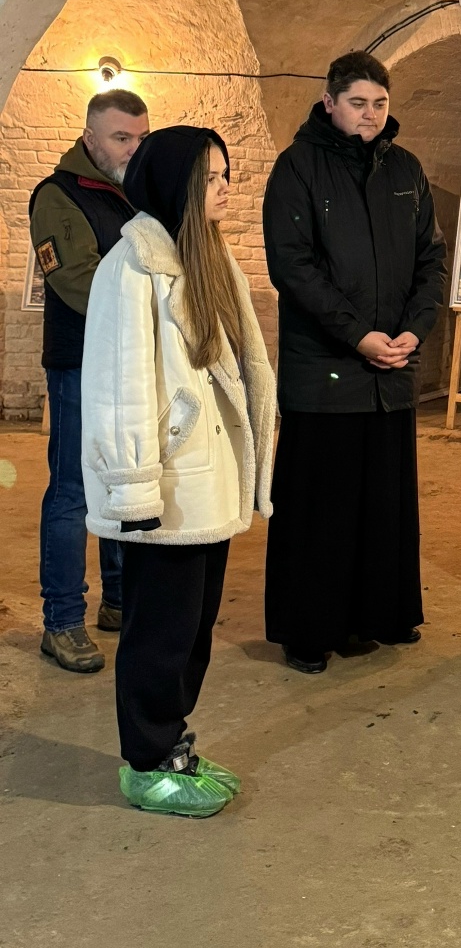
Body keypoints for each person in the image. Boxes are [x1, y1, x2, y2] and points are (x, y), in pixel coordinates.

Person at [81, 127, 275, 817]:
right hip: (163, 487)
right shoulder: (132, 267)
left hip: (205, 481)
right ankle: (145, 760)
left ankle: (172, 745)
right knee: (159, 633)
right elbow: (118, 389)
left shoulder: (208, 256)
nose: (224, 189)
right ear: (176, 185)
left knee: (192, 630)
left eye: (226, 175)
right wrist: (134, 490)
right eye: (211, 177)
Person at [262, 50, 446, 673]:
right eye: (358, 103)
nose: (370, 114)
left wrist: (413, 330)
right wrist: (358, 335)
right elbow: (294, 267)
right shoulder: (297, 167)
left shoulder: (406, 169)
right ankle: (309, 630)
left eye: (380, 103)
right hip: (325, 372)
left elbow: (431, 261)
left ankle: (375, 615)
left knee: (380, 504)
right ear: (330, 103)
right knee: (321, 509)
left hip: (390, 372)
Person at [29, 89, 150, 672]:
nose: (133, 148)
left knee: (124, 481)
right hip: (80, 363)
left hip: (131, 360)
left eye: (141, 138)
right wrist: (155, 301)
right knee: (73, 491)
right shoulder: (58, 195)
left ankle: (119, 601)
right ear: (90, 138)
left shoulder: (137, 194)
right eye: (121, 137)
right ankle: (62, 622)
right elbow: (78, 281)